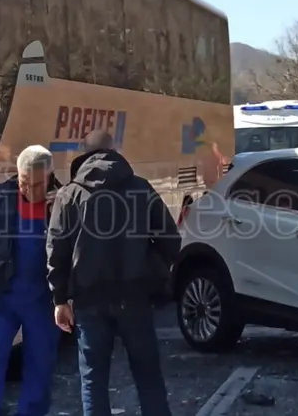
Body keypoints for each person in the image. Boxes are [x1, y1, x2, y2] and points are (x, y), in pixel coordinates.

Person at [47, 129, 180, 416]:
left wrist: (59, 299)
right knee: (148, 375)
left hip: (88, 300)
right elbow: (171, 241)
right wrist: (150, 270)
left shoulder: (68, 195)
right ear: (115, 152)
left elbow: (56, 250)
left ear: (83, 156)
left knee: (93, 379)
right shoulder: (141, 188)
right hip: (135, 298)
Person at [0, 145, 60, 416]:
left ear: (50, 176)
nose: (29, 190)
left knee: (40, 366)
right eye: (23, 182)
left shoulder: (64, 200)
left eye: (37, 184)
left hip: (43, 299)